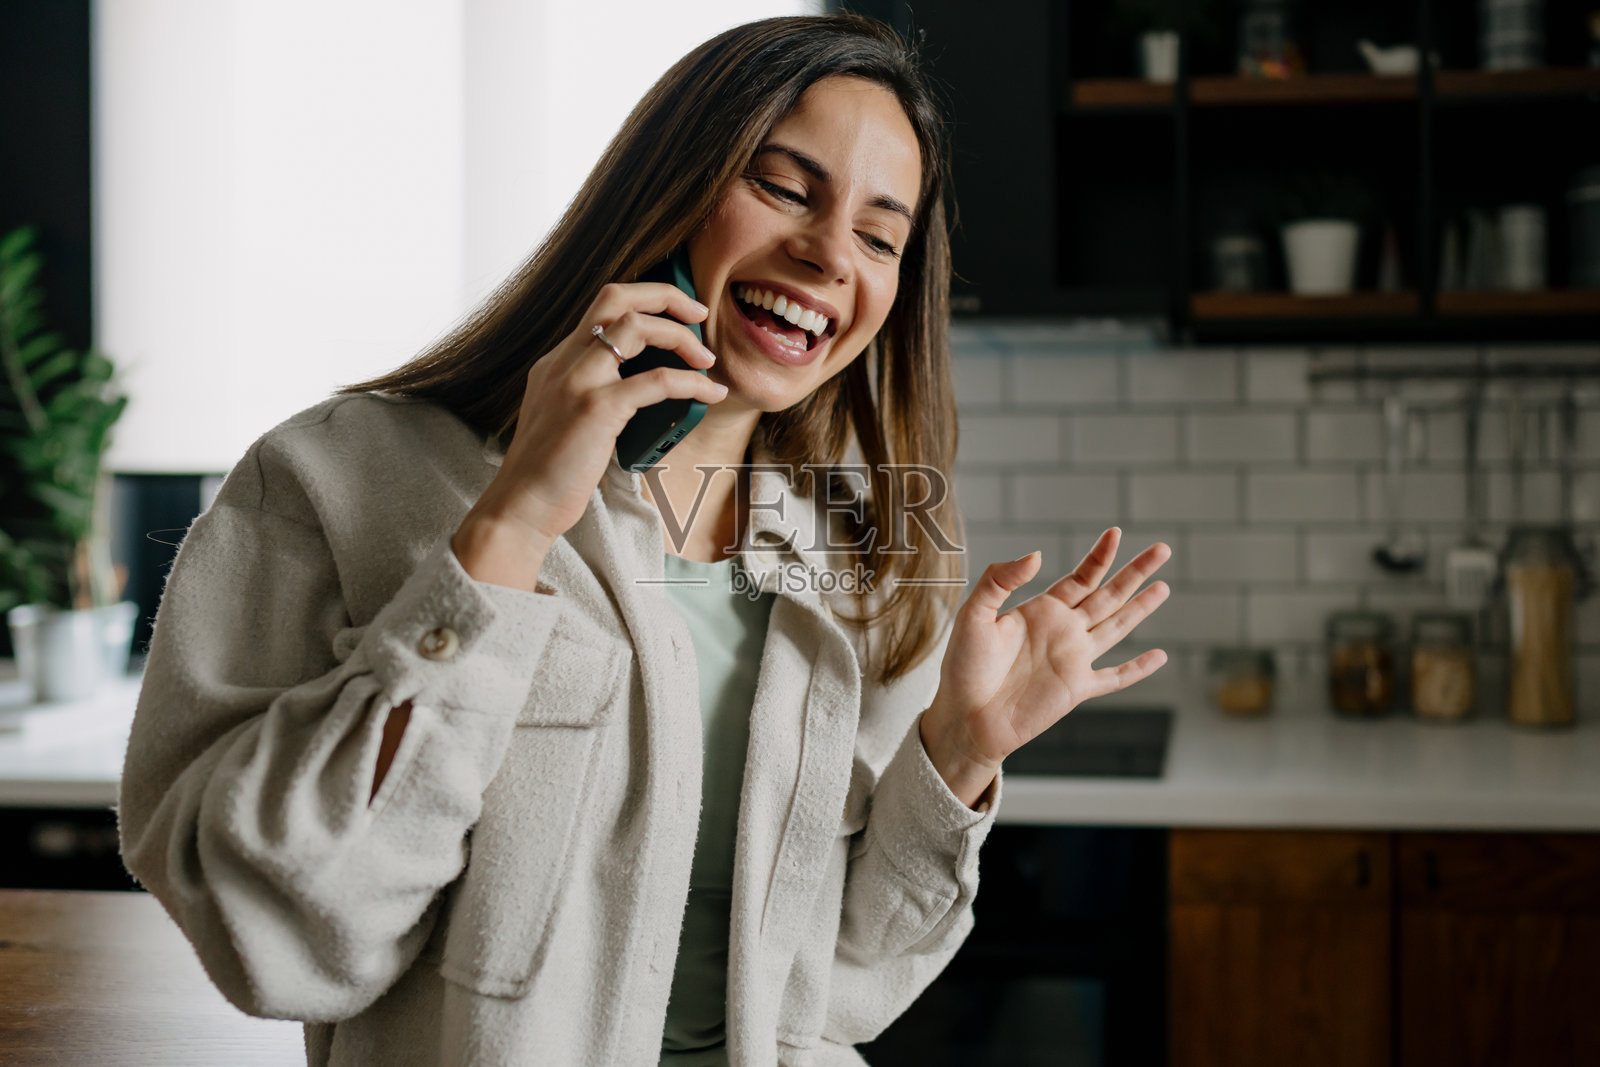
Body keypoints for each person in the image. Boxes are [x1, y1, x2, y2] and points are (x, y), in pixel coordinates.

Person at [116, 13, 1171, 1067]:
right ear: (664, 188)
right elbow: (282, 940)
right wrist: (513, 522)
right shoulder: (338, 475)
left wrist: (958, 749)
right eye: (783, 187)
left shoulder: (854, 555)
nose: (827, 254)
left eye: (879, 235)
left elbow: (839, 988)